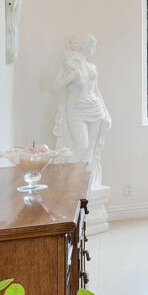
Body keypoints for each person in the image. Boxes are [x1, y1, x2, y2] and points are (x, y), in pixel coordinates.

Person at [53, 33, 111, 189]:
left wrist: (105, 112)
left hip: (95, 107)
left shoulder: (92, 66)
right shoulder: (68, 64)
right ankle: (67, 181)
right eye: (92, 46)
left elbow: (97, 91)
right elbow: (56, 86)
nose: (94, 49)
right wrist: (72, 75)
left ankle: (85, 183)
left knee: (91, 147)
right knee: (82, 145)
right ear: (85, 46)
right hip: (76, 108)